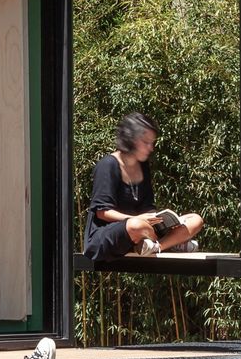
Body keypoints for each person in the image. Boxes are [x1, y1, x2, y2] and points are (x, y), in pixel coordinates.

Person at [82, 112, 204, 261]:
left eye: (152, 143)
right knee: (137, 226)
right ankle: (171, 242)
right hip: (108, 236)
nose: (151, 148)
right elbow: (102, 212)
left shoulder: (143, 166)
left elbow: (148, 207)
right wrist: (137, 219)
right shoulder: (108, 164)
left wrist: (161, 220)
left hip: (144, 229)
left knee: (195, 219)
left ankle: (157, 246)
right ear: (131, 139)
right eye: (146, 142)